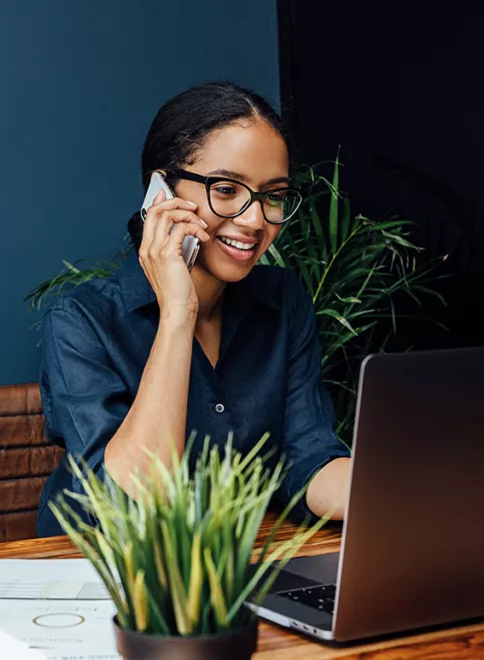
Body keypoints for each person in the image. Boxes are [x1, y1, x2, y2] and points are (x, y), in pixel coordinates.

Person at [35, 82, 352, 537]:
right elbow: (132, 501)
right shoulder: (82, 321)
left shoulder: (283, 300)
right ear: (160, 191)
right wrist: (178, 315)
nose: (255, 220)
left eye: (274, 195)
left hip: (230, 569)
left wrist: (398, 491)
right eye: (226, 189)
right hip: (97, 573)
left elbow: (307, 456)